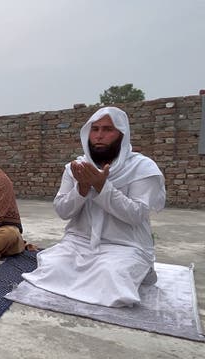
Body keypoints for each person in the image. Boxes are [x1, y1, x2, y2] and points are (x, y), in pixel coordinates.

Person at [20, 107, 165, 307]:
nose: (99, 136)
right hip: (79, 243)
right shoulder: (77, 168)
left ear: (122, 134)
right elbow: (63, 211)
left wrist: (101, 187)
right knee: (53, 267)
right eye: (94, 129)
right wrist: (82, 189)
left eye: (107, 130)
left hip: (124, 246)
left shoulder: (142, 168)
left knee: (112, 276)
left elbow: (136, 215)